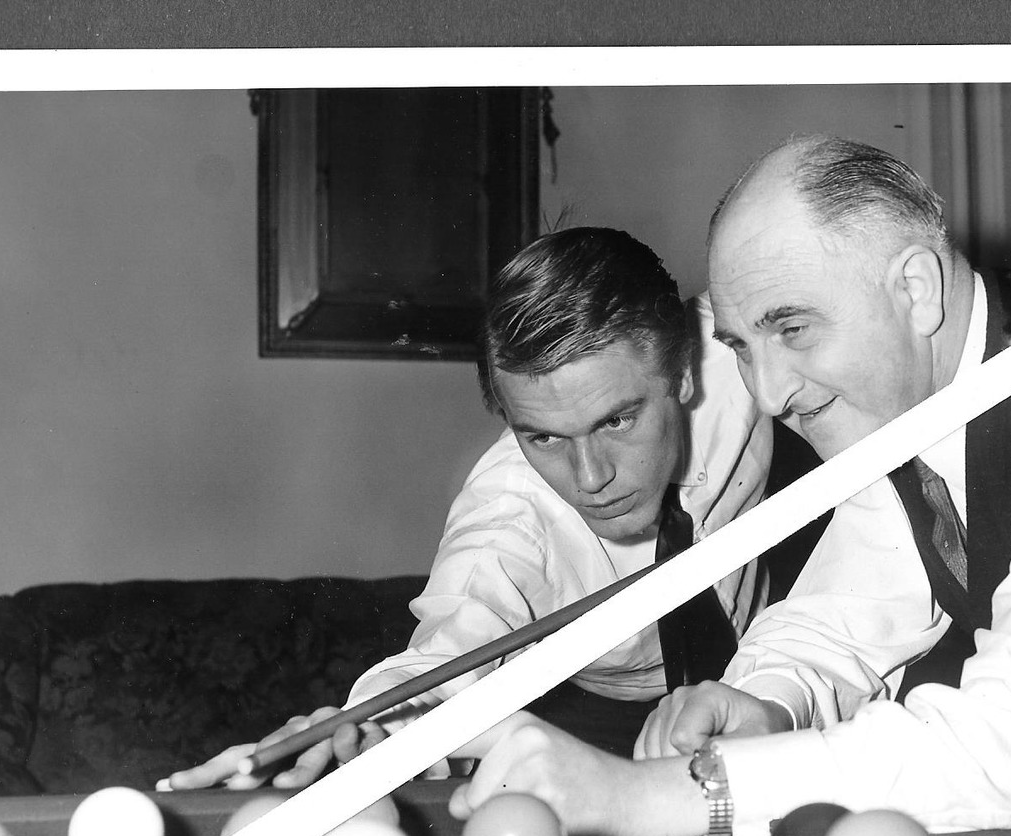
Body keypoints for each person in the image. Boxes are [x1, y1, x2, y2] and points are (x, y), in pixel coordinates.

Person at [447, 135, 1011, 836]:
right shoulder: (915, 407)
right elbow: (847, 613)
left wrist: (654, 797)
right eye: (744, 347)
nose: (771, 393)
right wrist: (765, 699)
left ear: (916, 288)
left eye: (793, 329)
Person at [164, 226, 820, 791]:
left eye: (617, 419)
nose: (590, 478)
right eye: (543, 437)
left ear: (682, 372)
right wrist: (363, 722)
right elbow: (446, 648)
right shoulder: (508, 517)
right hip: (592, 715)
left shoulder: (745, 353)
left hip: (768, 664)